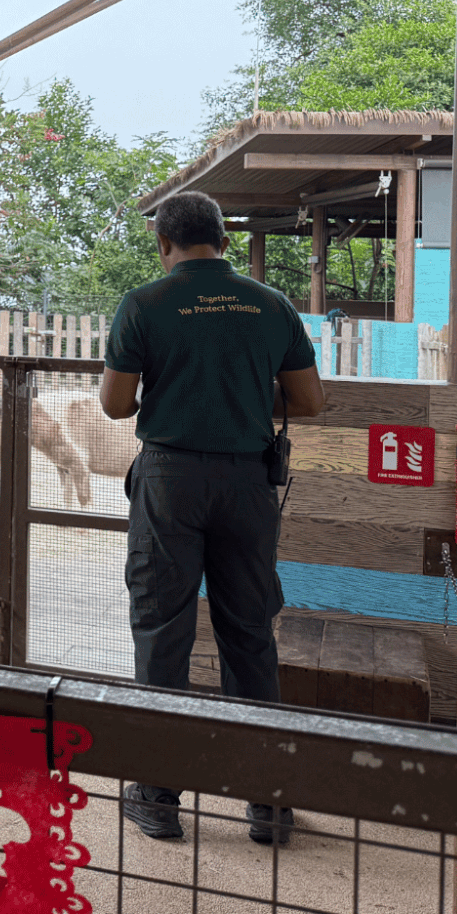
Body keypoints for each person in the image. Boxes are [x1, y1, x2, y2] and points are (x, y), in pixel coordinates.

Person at [99, 189, 325, 846]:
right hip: (247, 483)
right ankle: (267, 801)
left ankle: (158, 795)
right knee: (249, 631)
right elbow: (309, 401)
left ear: (161, 245)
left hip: (170, 481)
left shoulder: (143, 304)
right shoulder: (270, 304)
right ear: (223, 241)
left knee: (162, 627)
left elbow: (115, 405)